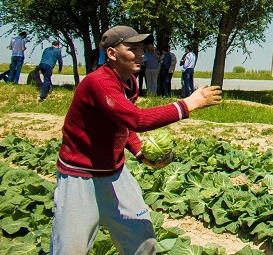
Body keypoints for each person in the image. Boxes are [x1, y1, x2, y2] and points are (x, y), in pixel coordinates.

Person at [50, 25, 222, 255]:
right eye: (133, 48)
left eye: (142, 47)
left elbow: (122, 123)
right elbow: (136, 119)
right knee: (70, 250)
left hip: (115, 173)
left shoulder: (128, 81)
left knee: (143, 243)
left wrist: (139, 152)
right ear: (111, 53)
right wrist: (187, 104)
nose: (141, 53)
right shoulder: (98, 83)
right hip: (80, 178)